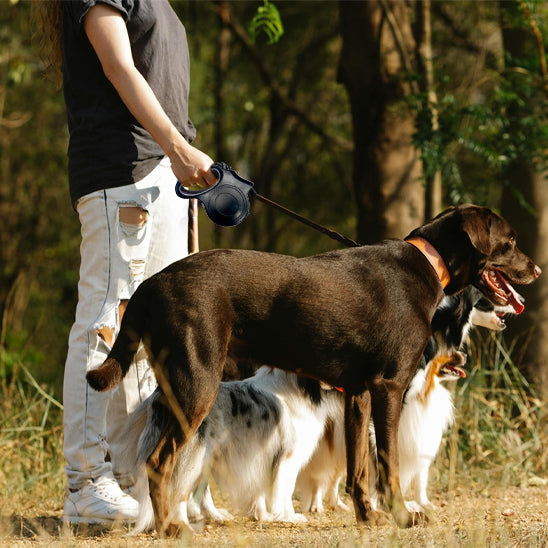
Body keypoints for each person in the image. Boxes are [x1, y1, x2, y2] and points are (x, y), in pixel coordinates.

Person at [36, 0, 216, 524]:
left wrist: (179, 169)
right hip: (123, 173)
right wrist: (180, 151)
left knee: (146, 336)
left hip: (161, 176)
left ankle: (133, 478)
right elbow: (119, 67)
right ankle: (85, 483)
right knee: (104, 322)